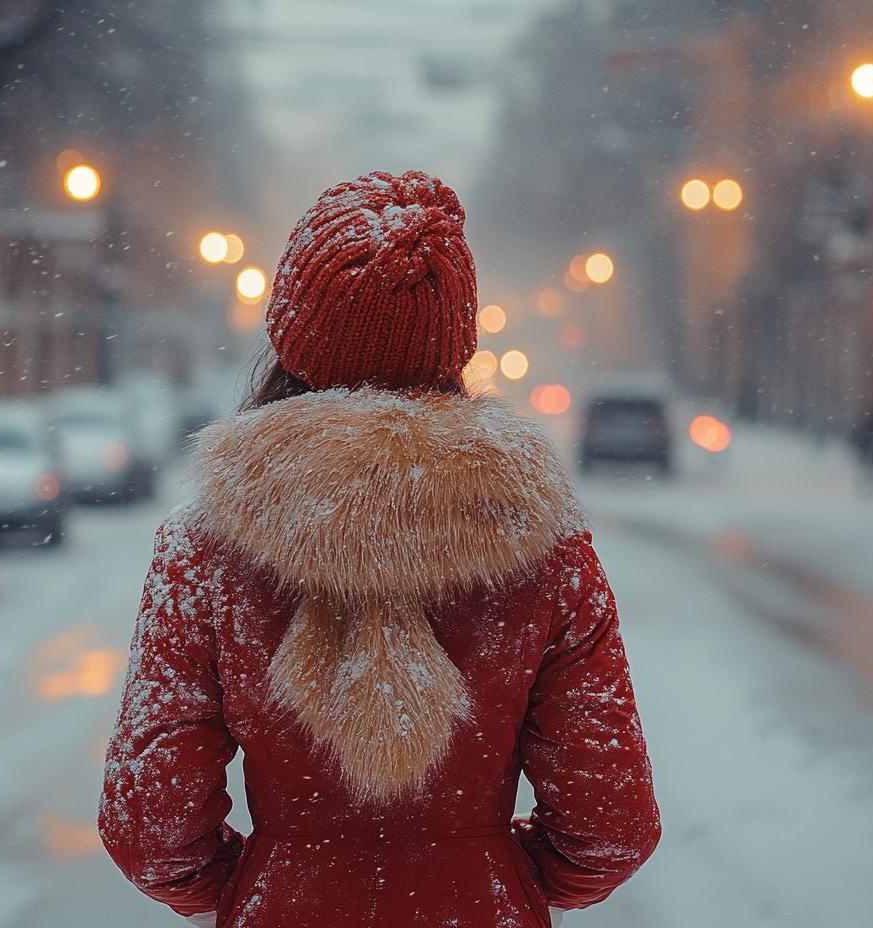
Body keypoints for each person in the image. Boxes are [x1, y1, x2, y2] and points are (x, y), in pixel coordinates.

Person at [99, 170, 660, 927]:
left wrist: (261, 882)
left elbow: (151, 830)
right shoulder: (545, 551)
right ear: (453, 344)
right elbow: (610, 828)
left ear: (290, 338)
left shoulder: (204, 554)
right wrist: (491, 871)